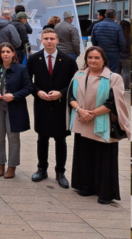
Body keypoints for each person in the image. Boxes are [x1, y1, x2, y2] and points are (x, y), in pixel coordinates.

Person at [67, 46, 130, 204]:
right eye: (90, 57)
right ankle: (85, 186)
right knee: (85, 156)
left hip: (103, 124)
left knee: (104, 160)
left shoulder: (114, 78)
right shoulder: (79, 75)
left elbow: (113, 103)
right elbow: (70, 97)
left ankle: (105, 192)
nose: (93, 60)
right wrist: (81, 111)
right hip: (83, 121)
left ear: (103, 60)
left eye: (97, 58)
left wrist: (91, 114)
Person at [27, 28, 78, 188]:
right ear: (41, 40)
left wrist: (61, 93)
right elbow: (27, 81)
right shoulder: (34, 59)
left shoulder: (68, 60)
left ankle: (60, 172)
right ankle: (41, 169)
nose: (49, 41)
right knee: (42, 138)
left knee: (60, 139)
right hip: (42, 104)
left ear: (57, 40)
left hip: (60, 105)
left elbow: (75, 82)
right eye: (46, 38)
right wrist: (37, 92)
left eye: (52, 38)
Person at [0, 42, 33, 179]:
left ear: (13, 53)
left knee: (13, 136)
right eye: (3, 52)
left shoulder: (21, 69)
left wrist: (14, 96)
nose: (5, 54)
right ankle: (0, 163)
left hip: (14, 106)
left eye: (8, 52)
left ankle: (12, 166)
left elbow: (28, 88)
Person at [90, 8, 124, 73]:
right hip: (113, 53)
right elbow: (122, 41)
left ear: (105, 15)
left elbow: (93, 39)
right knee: (111, 71)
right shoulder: (118, 27)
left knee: (100, 70)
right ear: (115, 16)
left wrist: (97, 47)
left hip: (100, 51)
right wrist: (120, 51)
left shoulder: (96, 26)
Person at [119, 20, 131, 90]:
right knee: (126, 72)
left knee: (116, 72)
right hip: (128, 56)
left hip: (118, 55)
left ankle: (116, 86)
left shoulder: (118, 34)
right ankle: (125, 87)